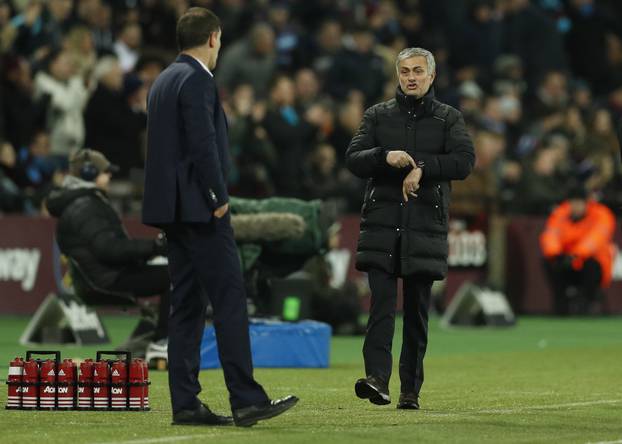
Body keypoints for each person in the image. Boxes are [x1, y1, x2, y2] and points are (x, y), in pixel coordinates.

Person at [142, 7, 297, 427]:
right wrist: (218, 196)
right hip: (200, 209)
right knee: (230, 300)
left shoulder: (162, 80)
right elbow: (202, 143)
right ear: (213, 38)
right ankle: (246, 399)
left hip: (173, 211)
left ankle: (186, 403)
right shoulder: (197, 80)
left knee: (186, 306)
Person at [345, 47, 475, 410]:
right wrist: (383, 157)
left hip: (423, 228)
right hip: (383, 226)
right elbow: (353, 158)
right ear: (397, 76)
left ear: (432, 76)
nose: (411, 77)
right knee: (381, 306)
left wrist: (422, 166)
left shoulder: (448, 118)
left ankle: (410, 389)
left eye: (418, 71)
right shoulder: (377, 115)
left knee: (417, 312)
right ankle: (376, 379)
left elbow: (465, 162)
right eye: (405, 72)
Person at [45, 149, 170, 346]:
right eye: (105, 171)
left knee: (170, 270)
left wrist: (151, 250)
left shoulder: (83, 202)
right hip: (108, 279)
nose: (110, 175)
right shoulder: (86, 206)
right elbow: (109, 250)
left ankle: (159, 336)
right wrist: (155, 247)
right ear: (88, 173)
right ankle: (165, 341)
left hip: (105, 275)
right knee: (176, 276)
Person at [540, 185, 616, 315]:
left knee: (591, 266)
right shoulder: (560, 214)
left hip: (592, 262)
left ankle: (587, 304)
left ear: (586, 203)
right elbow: (551, 235)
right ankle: (561, 305)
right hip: (567, 261)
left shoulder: (601, 214)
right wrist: (556, 254)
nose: (575, 206)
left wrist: (576, 255)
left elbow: (596, 238)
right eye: (572, 202)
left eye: (579, 202)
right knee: (550, 263)